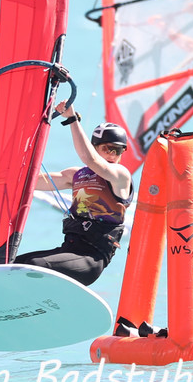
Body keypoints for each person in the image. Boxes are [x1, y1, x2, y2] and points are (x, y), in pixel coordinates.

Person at [17, 104, 133, 287]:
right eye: (107, 148)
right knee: (12, 264)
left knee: (32, 266)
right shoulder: (75, 176)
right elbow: (29, 181)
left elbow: (90, 160)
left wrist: (72, 120)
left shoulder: (120, 176)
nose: (112, 155)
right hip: (67, 252)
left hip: (90, 260)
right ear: (94, 147)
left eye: (117, 150)